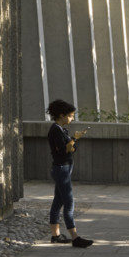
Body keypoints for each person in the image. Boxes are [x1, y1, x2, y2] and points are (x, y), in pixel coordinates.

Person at [46, 98, 94, 247]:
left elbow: (71, 149)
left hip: (63, 168)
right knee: (69, 202)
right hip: (61, 169)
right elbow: (66, 149)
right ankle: (75, 237)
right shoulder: (55, 130)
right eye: (71, 115)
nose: (72, 118)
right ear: (62, 115)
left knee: (58, 202)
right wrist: (74, 138)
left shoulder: (61, 130)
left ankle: (56, 235)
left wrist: (73, 140)